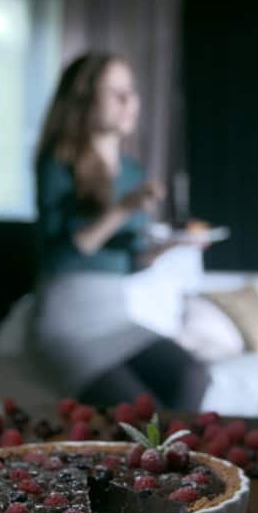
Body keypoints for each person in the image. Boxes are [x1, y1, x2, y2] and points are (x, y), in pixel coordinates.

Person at [30, 52, 210, 410]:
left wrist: (170, 248)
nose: (129, 101)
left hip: (116, 318)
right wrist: (124, 208)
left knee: (194, 375)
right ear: (84, 100)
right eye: (115, 92)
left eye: (132, 90)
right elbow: (65, 251)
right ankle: (162, 464)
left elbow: (129, 262)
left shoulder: (132, 171)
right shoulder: (56, 162)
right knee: (143, 417)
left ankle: (176, 464)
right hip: (67, 328)